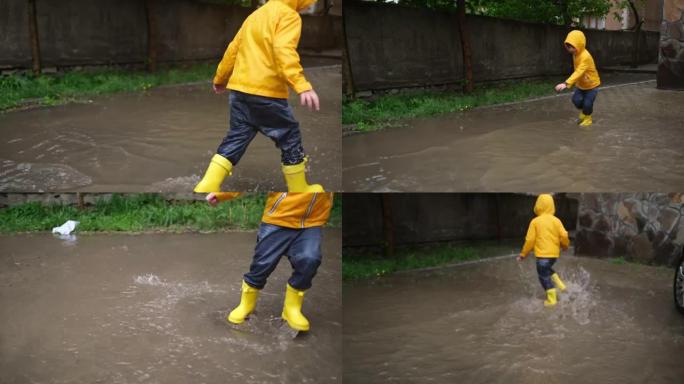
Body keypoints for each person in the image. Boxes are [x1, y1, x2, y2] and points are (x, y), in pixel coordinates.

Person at [195, 0, 323, 193]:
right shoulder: (289, 15)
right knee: (290, 135)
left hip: (239, 92)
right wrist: (301, 85)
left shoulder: (254, 16)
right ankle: (298, 188)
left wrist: (220, 78)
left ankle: (208, 184)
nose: (308, 5)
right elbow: (283, 50)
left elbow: (233, 50)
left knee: (236, 137)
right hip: (266, 93)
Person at [207, 192, 333, 331]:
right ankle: (246, 304)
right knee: (263, 263)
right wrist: (221, 195)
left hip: (311, 223)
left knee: (310, 259)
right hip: (277, 220)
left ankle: (292, 309)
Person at [517, 194, 570, 307]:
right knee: (547, 269)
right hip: (554, 255)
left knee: (543, 276)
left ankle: (552, 299)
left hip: (542, 256)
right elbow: (564, 235)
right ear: (552, 206)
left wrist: (523, 254)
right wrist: (565, 246)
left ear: (538, 205)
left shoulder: (535, 222)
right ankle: (560, 284)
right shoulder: (556, 221)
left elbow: (530, 240)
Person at [554, 30, 601, 127]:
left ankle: (588, 118)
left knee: (588, 103)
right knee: (576, 101)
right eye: (567, 47)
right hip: (581, 85)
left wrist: (566, 83)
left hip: (592, 85)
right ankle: (584, 112)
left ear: (579, 44)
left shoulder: (585, 57)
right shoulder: (575, 53)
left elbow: (579, 71)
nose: (569, 50)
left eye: (571, 47)